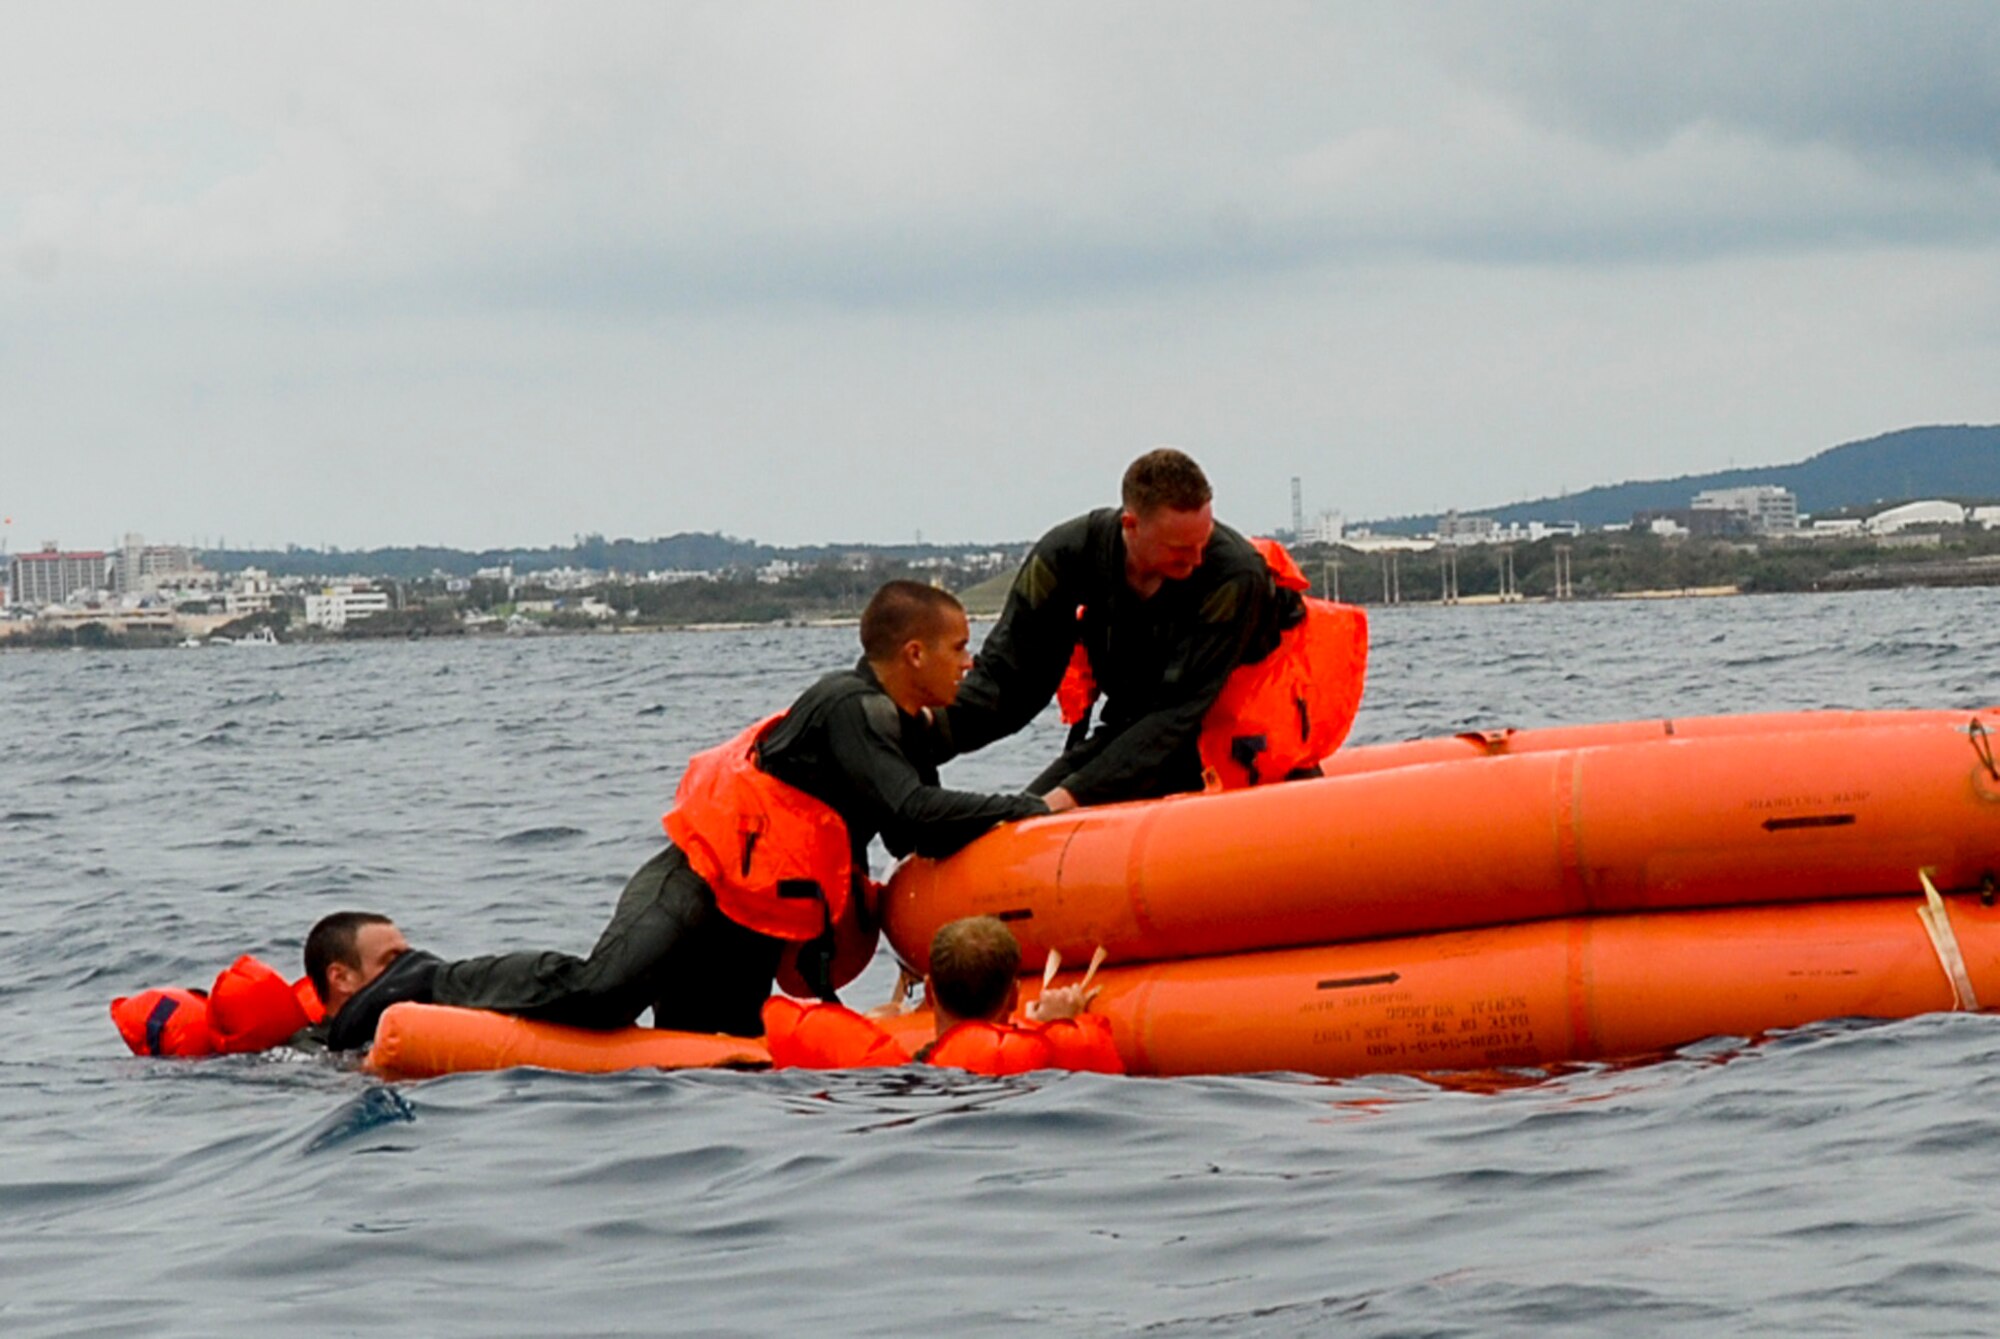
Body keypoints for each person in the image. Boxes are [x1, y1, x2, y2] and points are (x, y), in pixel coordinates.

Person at [319, 582, 1050, 1051]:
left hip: (757, 918)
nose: (969, 661)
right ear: (913, 651)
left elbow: (902, 832)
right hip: (695, 885)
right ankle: (428, 978)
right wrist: (1036, 807)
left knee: (719, 1052)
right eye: (959, 648)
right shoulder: (849, 707)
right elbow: (917, 814)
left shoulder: (907, 727)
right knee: (601, 993)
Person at [930, 448, 1311, 806]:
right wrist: (929, 729)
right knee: (1022, 816)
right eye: (1179, 549)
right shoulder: (1069, 553)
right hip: (1134, 724)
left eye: (1203, 541)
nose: (1196, 559)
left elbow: (1176, 714)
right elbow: (1010, 676)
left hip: (1224, 734)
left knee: (1054, 802)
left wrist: (1066, 798)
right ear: (1130, 525)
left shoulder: (1233, 575)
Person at [762, 915, 1124, 1075]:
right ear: (1014, 996)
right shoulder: (1043, 1058)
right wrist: (1061, 1024)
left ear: (930, 992)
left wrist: (867, 1025)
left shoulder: (890, 1067)